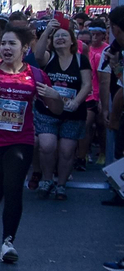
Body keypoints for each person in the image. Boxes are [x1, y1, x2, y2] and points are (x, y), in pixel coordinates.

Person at [0, 24, 60, 265]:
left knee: (13, 188)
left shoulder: (36, 75)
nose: (6, 48)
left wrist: (55, 98)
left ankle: (7, 242)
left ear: (24, 48)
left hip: (20, 140)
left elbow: (56, 110)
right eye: (3, 43)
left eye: (12, 44)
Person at [30, 19, 92, 200]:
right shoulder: (49, 58)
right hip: (47, 110)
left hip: (72, 112)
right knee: (47, 145)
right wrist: (48, 31)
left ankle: (61, 184)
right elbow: (37, 55)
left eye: (64, 36)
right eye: (57, 37)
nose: (60, 39)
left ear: (73, 41)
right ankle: (47, 180)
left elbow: (87, 85)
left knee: (66, 150)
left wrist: (77, 102)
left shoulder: (81, 60)